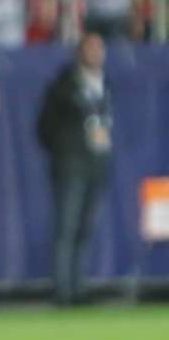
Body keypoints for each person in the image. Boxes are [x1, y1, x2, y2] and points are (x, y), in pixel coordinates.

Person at [37, 33, 113, 306]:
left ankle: (79, 286)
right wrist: (64, 151)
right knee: (67, 227)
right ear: (80, 52)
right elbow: (44, 126)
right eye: (91, 48)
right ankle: (63, 289)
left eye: (100, 48)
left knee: (85, 227)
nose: (97, 53)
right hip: (71, 164)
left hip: (96, 163)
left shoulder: (105, 83)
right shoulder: (64, 85)